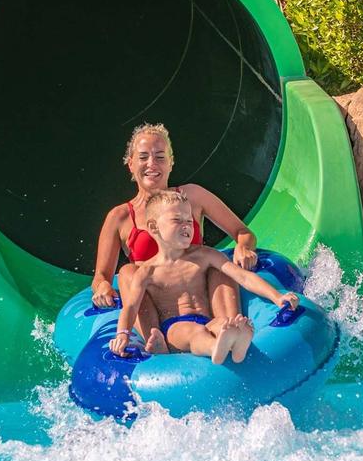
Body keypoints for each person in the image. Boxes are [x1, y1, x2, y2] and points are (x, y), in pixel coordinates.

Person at [92, 123, 259, 354]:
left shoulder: (192, 196)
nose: (152, 164)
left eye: (160, 157)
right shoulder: (120, 217)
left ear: (171, 163)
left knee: (217, 261)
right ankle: (155, 340)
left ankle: (230, 329)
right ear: (131, 164)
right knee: (128, 272)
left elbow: (243, 233)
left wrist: (243, 247)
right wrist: (102, 287)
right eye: (143, 157)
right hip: (158, 305)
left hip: (199, 293)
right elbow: (101, 276)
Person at [109, 191, 299, 364]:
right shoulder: (147, 272)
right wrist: (123, 334)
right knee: (195, 332)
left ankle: (236, 344)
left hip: (208, 321)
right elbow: (131, 307)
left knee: (225, 324)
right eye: (177, 220)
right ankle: (215, 347)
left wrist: (277, 297)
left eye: (189, 220)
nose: (186, 225)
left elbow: (243, 277)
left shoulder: (204, 255)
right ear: (153, 227)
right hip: (175, 328)